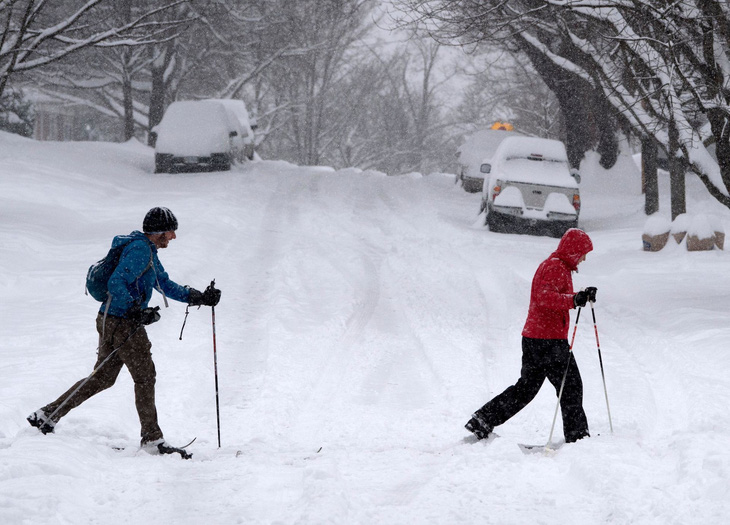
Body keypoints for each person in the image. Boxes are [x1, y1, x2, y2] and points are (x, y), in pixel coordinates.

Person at [27, 207, 221, 456]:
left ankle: (47, 415)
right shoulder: (140, 251)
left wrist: (198, 297)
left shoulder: (146, 249)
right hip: (122, 323)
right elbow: (116, 282)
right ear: (159, 232)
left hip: (110, 318)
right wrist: (134, 310)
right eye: (171, 231)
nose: (173, 236)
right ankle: (152, 439)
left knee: (103, 377)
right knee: (145, 376)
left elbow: (164, 283)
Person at [465, 228, 596, 444]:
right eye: (583, 253)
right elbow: (544, 297)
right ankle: (578, 438)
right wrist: (572, 300)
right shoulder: (555, 267)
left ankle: (484, 419)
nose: (583, 258)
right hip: (548, 341)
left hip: (536, 337)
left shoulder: (556, 266)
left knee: (526, 388)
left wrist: (577, 296)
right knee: (570, 385)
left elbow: (553, 294)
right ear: (573, 251)